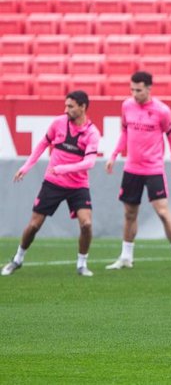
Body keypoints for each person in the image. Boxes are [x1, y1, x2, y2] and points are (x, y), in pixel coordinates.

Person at [2, 91, 101, 277]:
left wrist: (62, 168)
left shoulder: (92, 133)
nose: (66, 110)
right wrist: (26, 166)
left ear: (82, 107)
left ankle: (82, 264)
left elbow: (90, 163)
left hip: (78, 185)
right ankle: (17, 259)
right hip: (53, 182)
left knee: (86, 224)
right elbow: (42, 144)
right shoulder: (58, 123)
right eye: (66, 105)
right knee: (34, 225)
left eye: (70, 106)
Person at [105, 71, 171, 270]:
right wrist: (114, 155)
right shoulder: (126, 106)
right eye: (132, 89)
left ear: (149, 88)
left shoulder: (162, 111)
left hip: (153, 168)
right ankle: (126, 256)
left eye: (139, 90)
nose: (135, 94)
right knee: (129, 213)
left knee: (162, 211)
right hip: (132, 168)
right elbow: (124, 132)